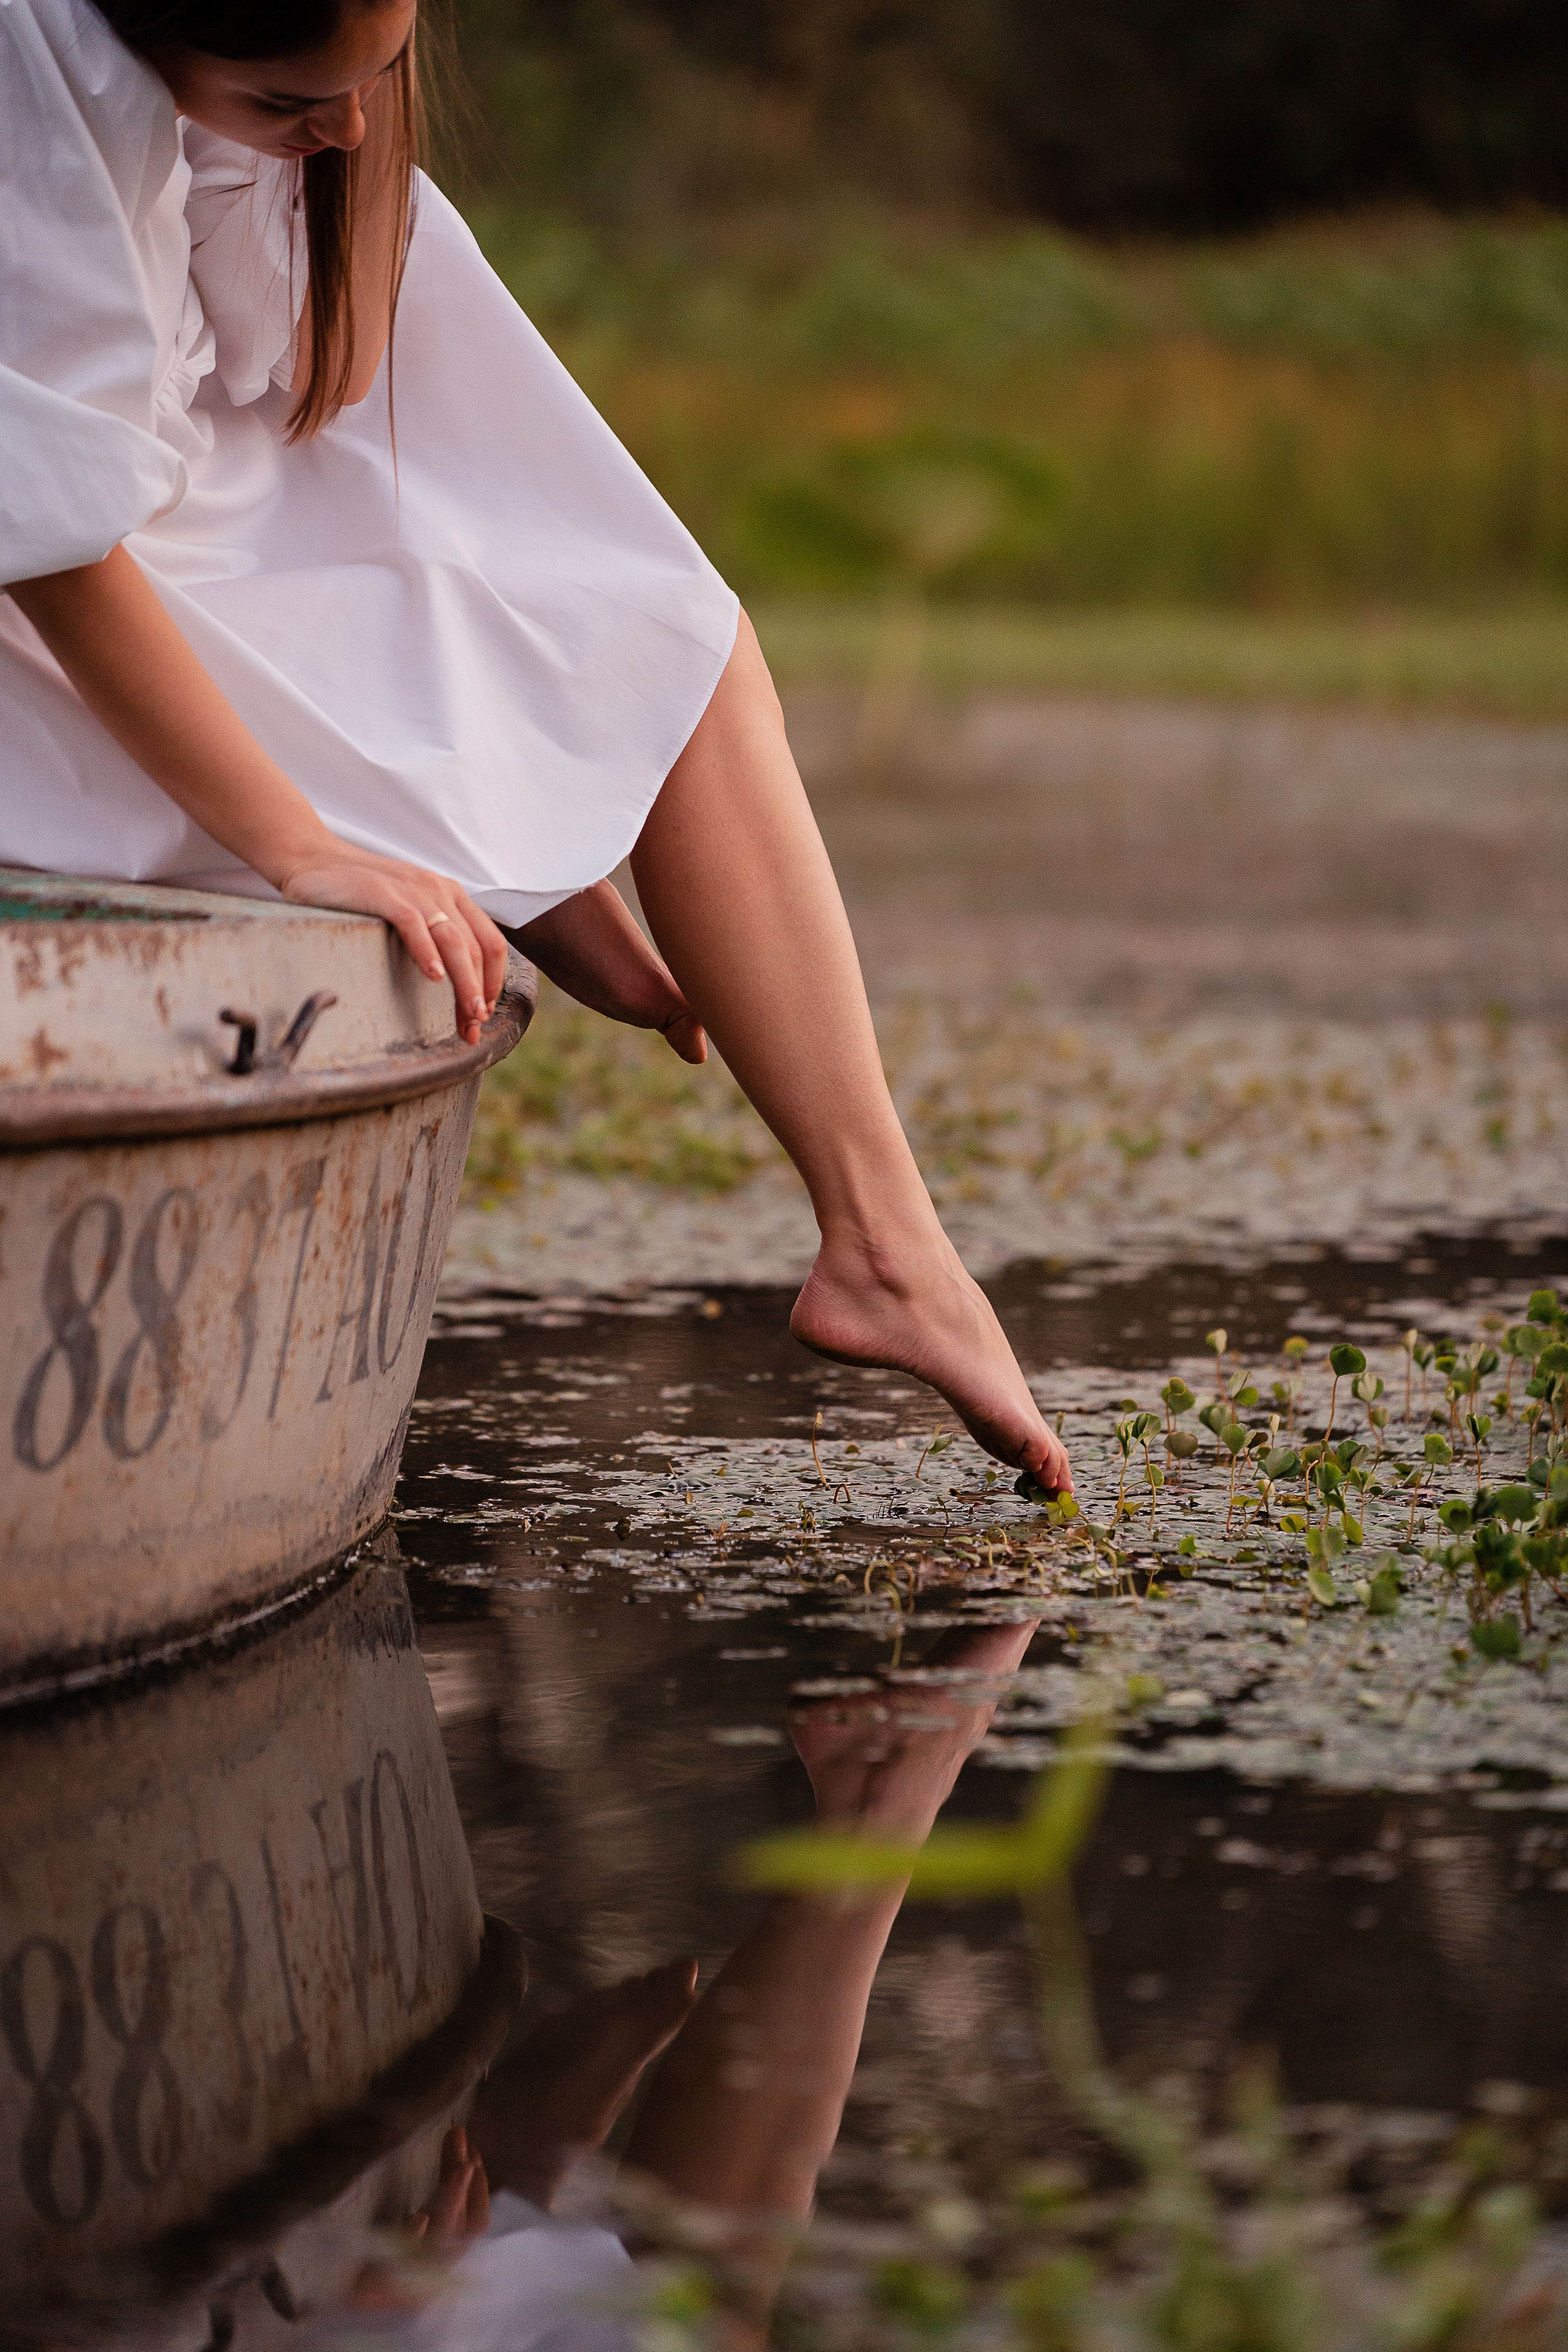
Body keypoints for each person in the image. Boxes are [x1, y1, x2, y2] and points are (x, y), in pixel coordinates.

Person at [0, 0, 1071, 1490]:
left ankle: (886, 1242)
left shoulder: (316, 137)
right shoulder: (35, 68)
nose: (352, 131)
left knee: (668, 637)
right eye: (286, 96)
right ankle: (875, 1236)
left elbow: (306, 371)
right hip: (51, 605)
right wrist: (307, 844)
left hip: (183, 490)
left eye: (379, 75)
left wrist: (538, 845)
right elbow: (47, 529)